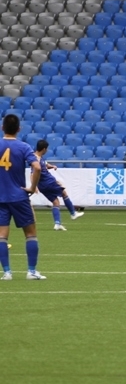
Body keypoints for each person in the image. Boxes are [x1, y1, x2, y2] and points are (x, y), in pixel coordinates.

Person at [0, 114, 45, 280]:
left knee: (2, 236)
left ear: (2, 128)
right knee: (31, 234)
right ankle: (31, 272)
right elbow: (37, 167)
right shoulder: (24, 147)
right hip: (19, 196)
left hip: (1, 198)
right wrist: (32, 187)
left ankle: (7, 272)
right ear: (19, 129)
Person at [34, 140, 84, 231]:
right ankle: (73, 213)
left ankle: (57, 224)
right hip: (48, 182)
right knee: (64, 193)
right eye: (47, 149)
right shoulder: (36, 159)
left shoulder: (37, 157)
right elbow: (33, 172)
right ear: (44, 149)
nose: (47, 150)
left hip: (42, 186)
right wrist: (33, 186)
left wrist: (51, 166)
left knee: (56, 202)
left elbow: (44, 165)